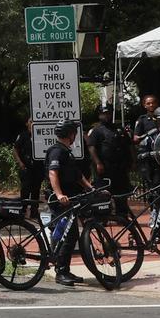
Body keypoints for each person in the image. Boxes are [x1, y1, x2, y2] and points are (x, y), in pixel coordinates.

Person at [45, 118, 91, 287]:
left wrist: (90, 188)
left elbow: (78, 176)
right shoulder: (57, 151)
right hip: (61, 200)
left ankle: (64, 267)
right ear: (71, 134)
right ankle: (61, 271)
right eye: (74, 133)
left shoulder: (66, 151)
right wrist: (59, 194)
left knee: (67, 234)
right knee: (69, 234)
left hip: (71, 198)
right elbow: (53, 173)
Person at [86, 106, 130, 197]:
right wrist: (98, 163)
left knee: (122, 192)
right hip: (105, 167)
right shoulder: (97, 130)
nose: (106, 116)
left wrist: (132, 160)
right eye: (103, 114)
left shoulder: (119, 129)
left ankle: (122, 210)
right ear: (99, 116)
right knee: (105, 193)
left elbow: (128, 145)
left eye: (108, 113)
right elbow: (91, 147)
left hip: (120, 167)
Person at [12, 117, 44, 216]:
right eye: (31, 121)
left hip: (38, 168)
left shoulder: (40, 135)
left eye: (34, 122)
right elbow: (15, 149)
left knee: (36, 190)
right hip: (26, 168)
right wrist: (20, 163)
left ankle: (34, 211)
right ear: (27, 124)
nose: (33, 123)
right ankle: (22, 210)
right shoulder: (23, 135)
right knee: (25, 190)